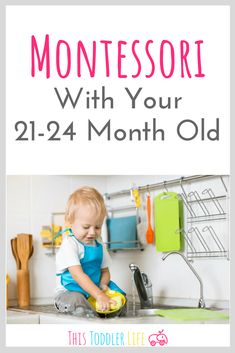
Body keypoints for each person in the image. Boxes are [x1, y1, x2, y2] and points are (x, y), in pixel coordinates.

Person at [54, 186, 126, 316]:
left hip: (94, 291)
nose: (92, 233)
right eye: (86, 227)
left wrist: (103, 287)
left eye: (97, 227)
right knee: (77, 302)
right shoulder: (69, 244)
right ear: (70, 222)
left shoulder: (98, 242)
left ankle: (108, 313)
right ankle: (90, 313)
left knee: (120, 296)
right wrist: (98, 294)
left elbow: (105, 271)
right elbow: (78, 275)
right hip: (70, 293)